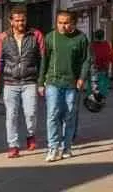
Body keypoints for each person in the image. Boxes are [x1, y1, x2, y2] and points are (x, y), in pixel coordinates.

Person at [0, 7, 45, 158]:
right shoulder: (3, 38)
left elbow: (43, 59)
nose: (20, 23)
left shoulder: (36, 35)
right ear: (11, 21)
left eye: (23, 20)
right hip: (10, 83)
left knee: (30, 113)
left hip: (30, 81)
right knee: (11, 115)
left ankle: (30, 134)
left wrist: (41, 82)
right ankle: (13, 146)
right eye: (17, 20)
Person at [40, 11, 90, 161]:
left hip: (71, 83)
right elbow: (44, 60)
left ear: (73, 23)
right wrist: (40, 82)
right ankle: (53, 147)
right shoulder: (50, 37)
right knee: (52, 114)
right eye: (60, 22)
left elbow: (86, 60)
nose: (63, 26)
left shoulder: (81, 38)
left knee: (69, 115)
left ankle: (66, 146)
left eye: (66, 22)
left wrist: (82, 78)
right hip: (53, 82)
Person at [90, 30, 113, 100]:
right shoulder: (106, 44)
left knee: (95, 83)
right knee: (102, 83)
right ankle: (100, 97)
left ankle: (96, 97)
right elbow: (111, 56)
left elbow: (89, 57)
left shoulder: (92, 45)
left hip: (95, 67)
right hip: (104, 67)